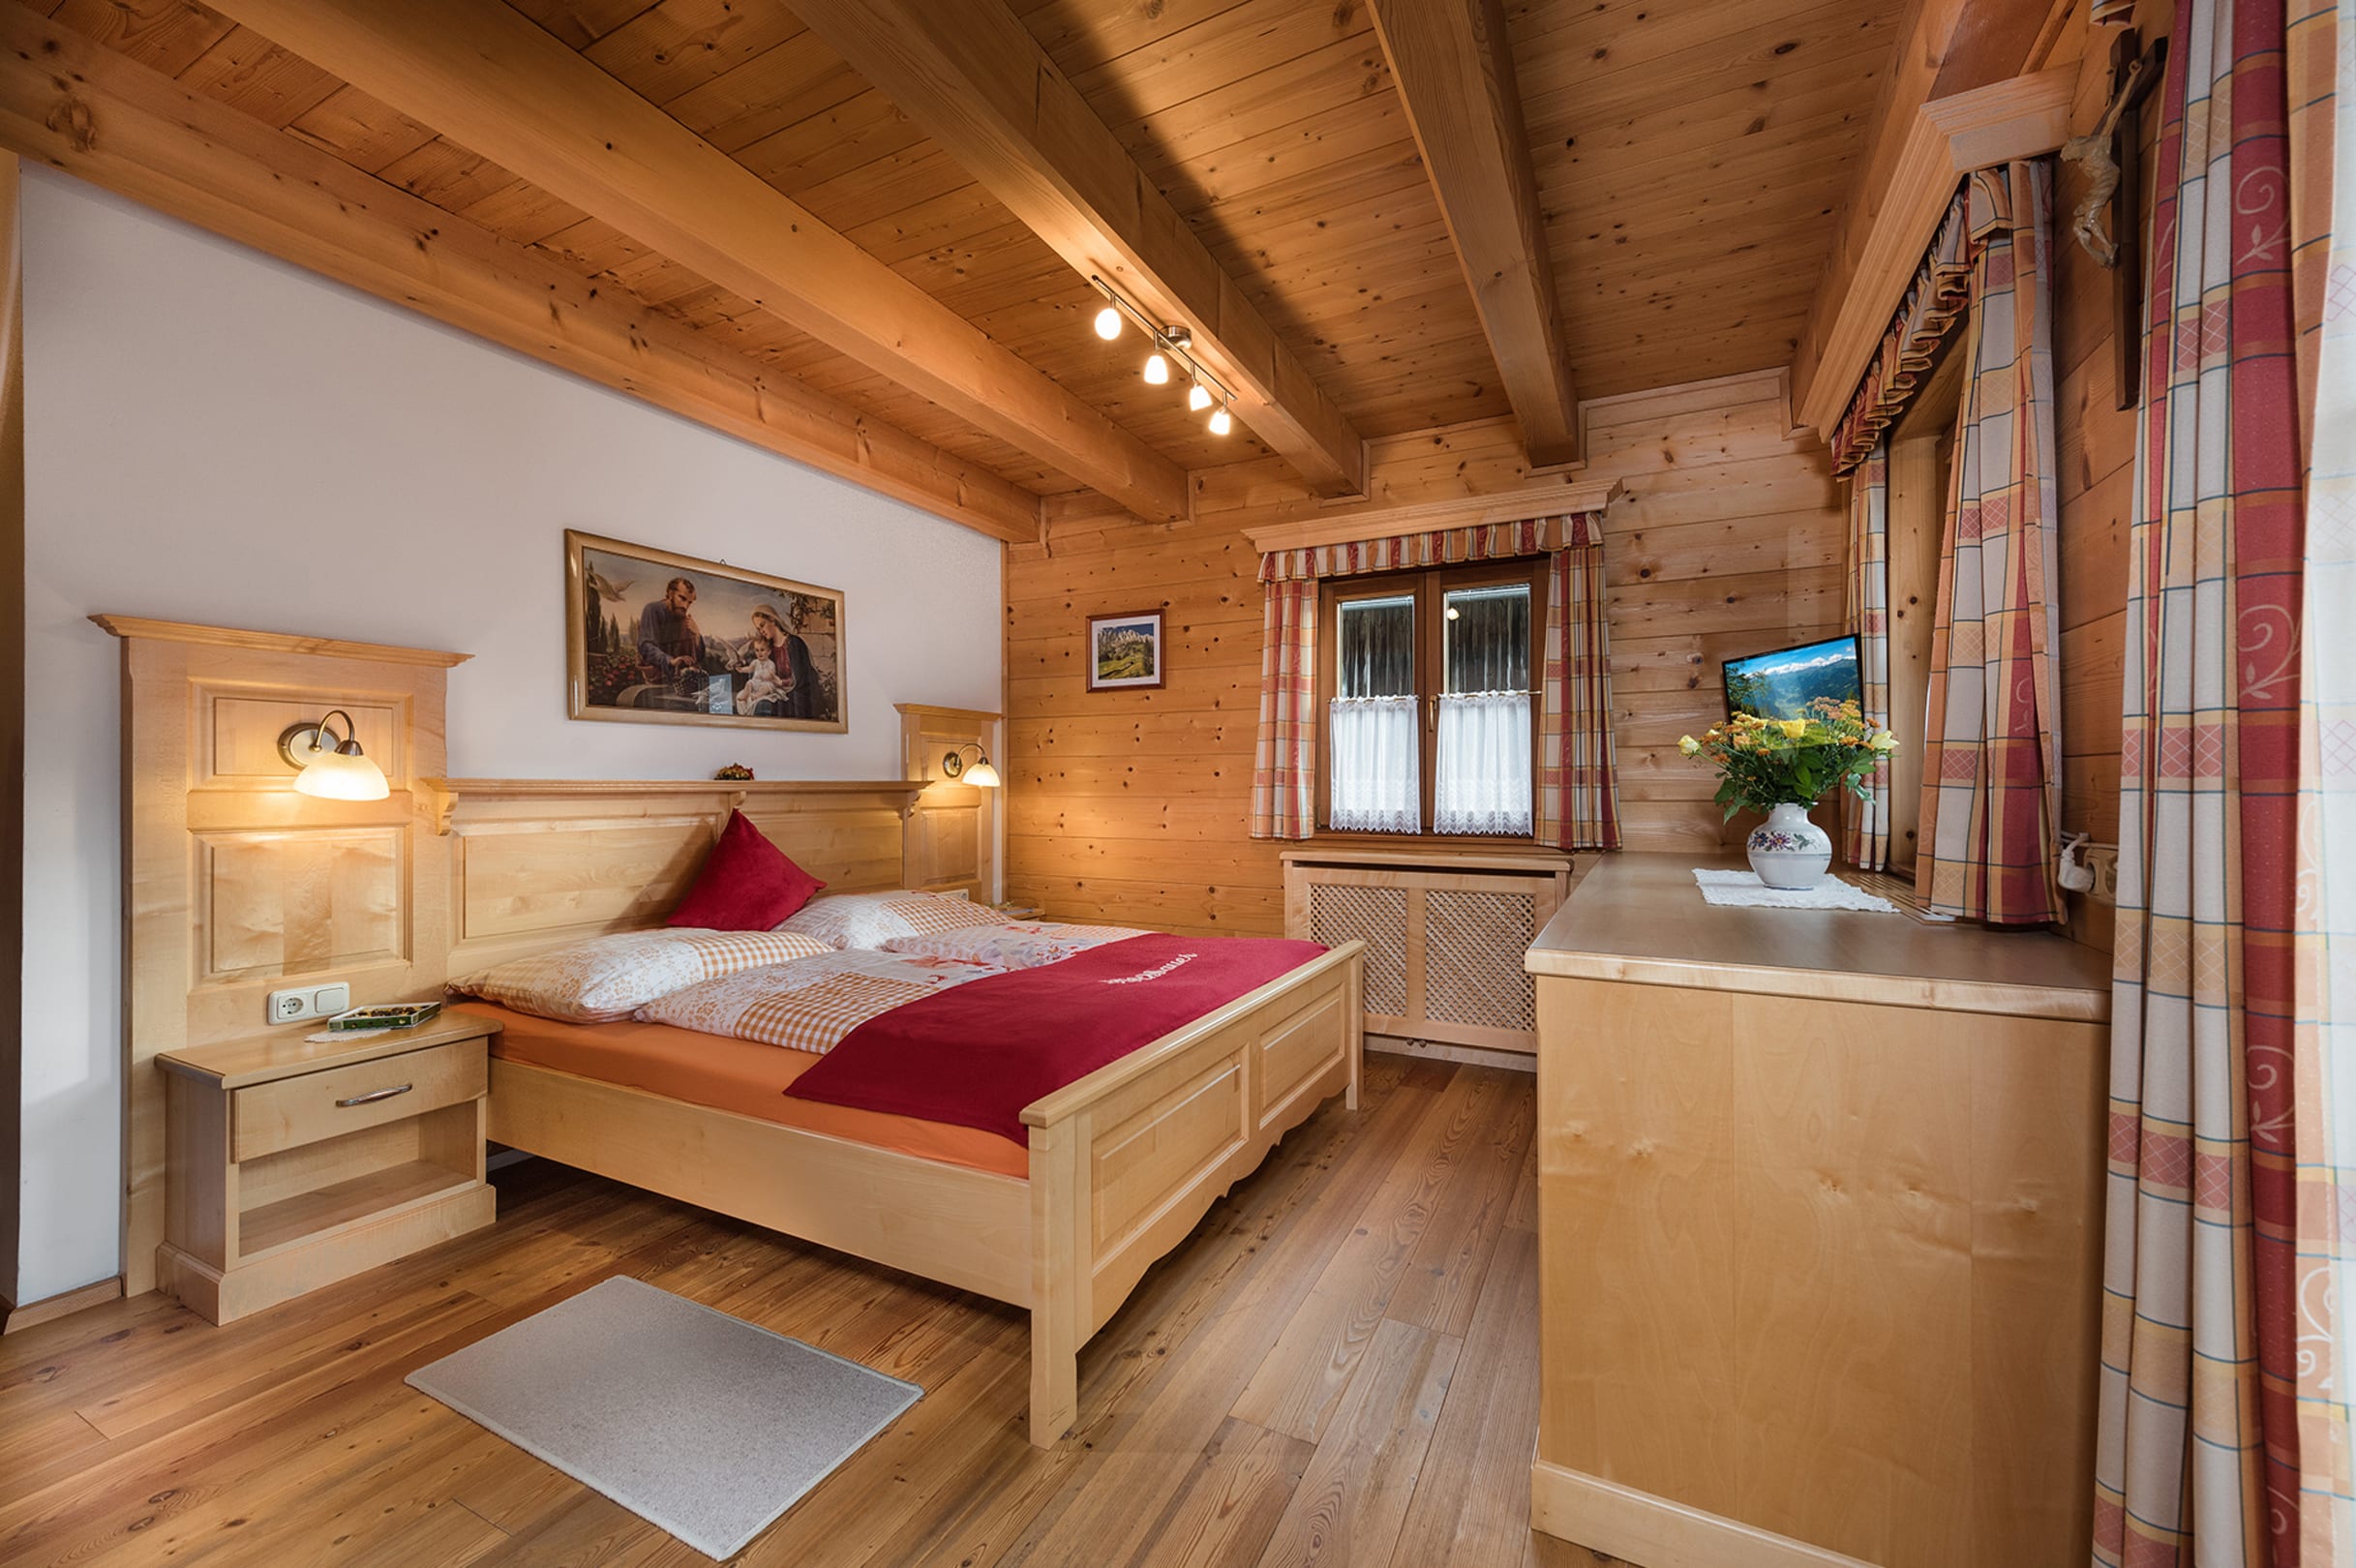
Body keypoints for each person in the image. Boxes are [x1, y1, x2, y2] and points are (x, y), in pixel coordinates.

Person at [635, 577, 705, 693]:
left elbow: (699, 657)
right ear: (670, 593)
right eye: (682, 598)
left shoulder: (685, 619)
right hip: (655, 680)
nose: (685, 606)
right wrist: (670, 661)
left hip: (679, 683)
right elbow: (646, 646)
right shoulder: (653, 609)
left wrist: (696, 634)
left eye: (689, 602)